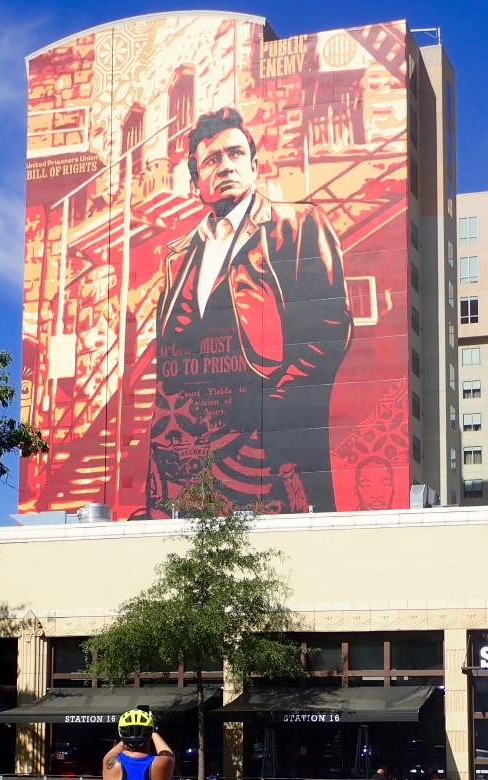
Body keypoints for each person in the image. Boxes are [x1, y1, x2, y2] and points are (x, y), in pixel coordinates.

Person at [144, 106, 353, 518]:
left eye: (236, 154)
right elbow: (169, 364)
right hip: (190, 464)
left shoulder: (297, 225)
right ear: (195, 183)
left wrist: (271, 410)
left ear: (254, 167)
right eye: (212, 160)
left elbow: (330, 330)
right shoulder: (178, 256)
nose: (226, 166)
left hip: (271, 458)